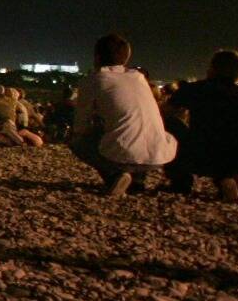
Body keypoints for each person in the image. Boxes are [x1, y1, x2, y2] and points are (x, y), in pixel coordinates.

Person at [70, 32, 177, 195]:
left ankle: (114, 176)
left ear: (97, 57)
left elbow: (80, 124)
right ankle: (137, 182)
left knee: (77, 141)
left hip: (124, 154)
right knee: (135, 129)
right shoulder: (138, 78)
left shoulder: (94, 80)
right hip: (159, 154)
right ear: (126, 58)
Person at [164, 49, 238, 203]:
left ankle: (181, 181)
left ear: (212, 68)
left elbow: (163, 113)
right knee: (229, 154)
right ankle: (226, 180)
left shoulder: (195, 89)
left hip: (202, 158)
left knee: (169, 123)